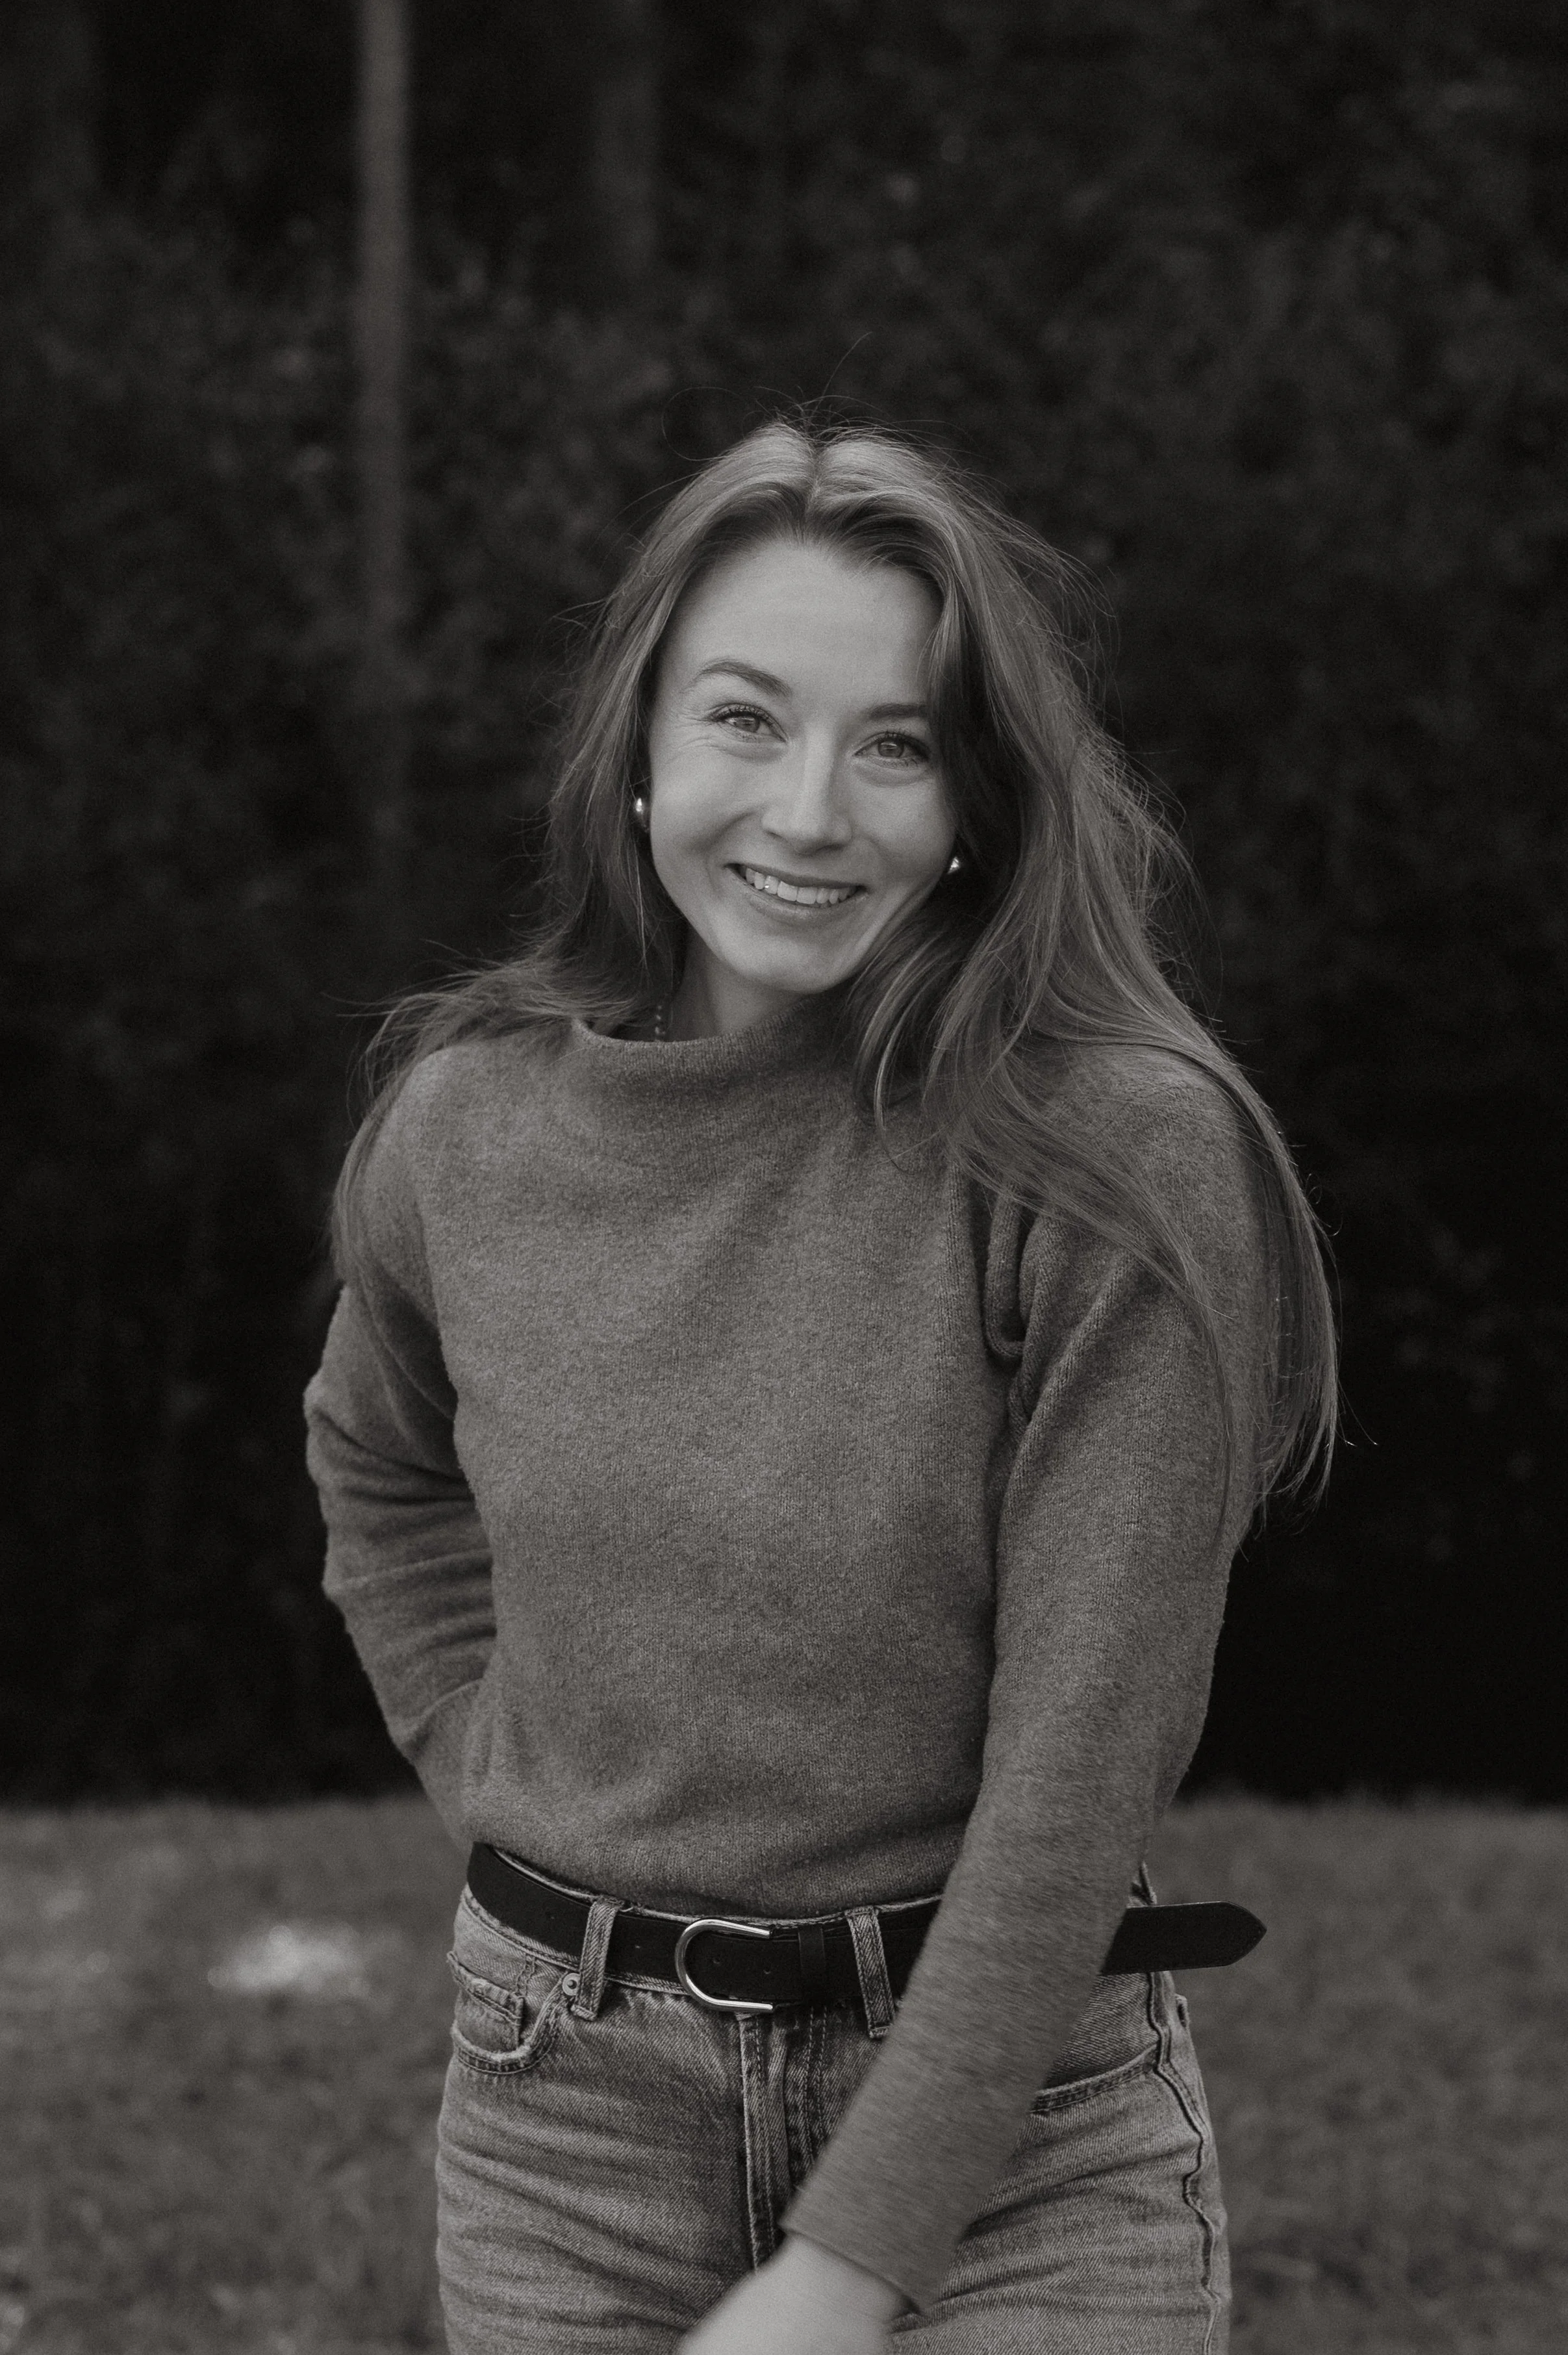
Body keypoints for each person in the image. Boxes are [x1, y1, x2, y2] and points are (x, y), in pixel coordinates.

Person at [304, 418, 1335, 2354]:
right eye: (745, 719)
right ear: (636, 743)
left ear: (976, 798)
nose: (806, 812)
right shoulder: (466, 1127)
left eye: (896, 743)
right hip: (562, 2129)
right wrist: (487, 1763)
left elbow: (1084, 1761)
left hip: (1024, 2137)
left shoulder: (1111, 1152)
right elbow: (379, 1467)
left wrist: (847, 2272)